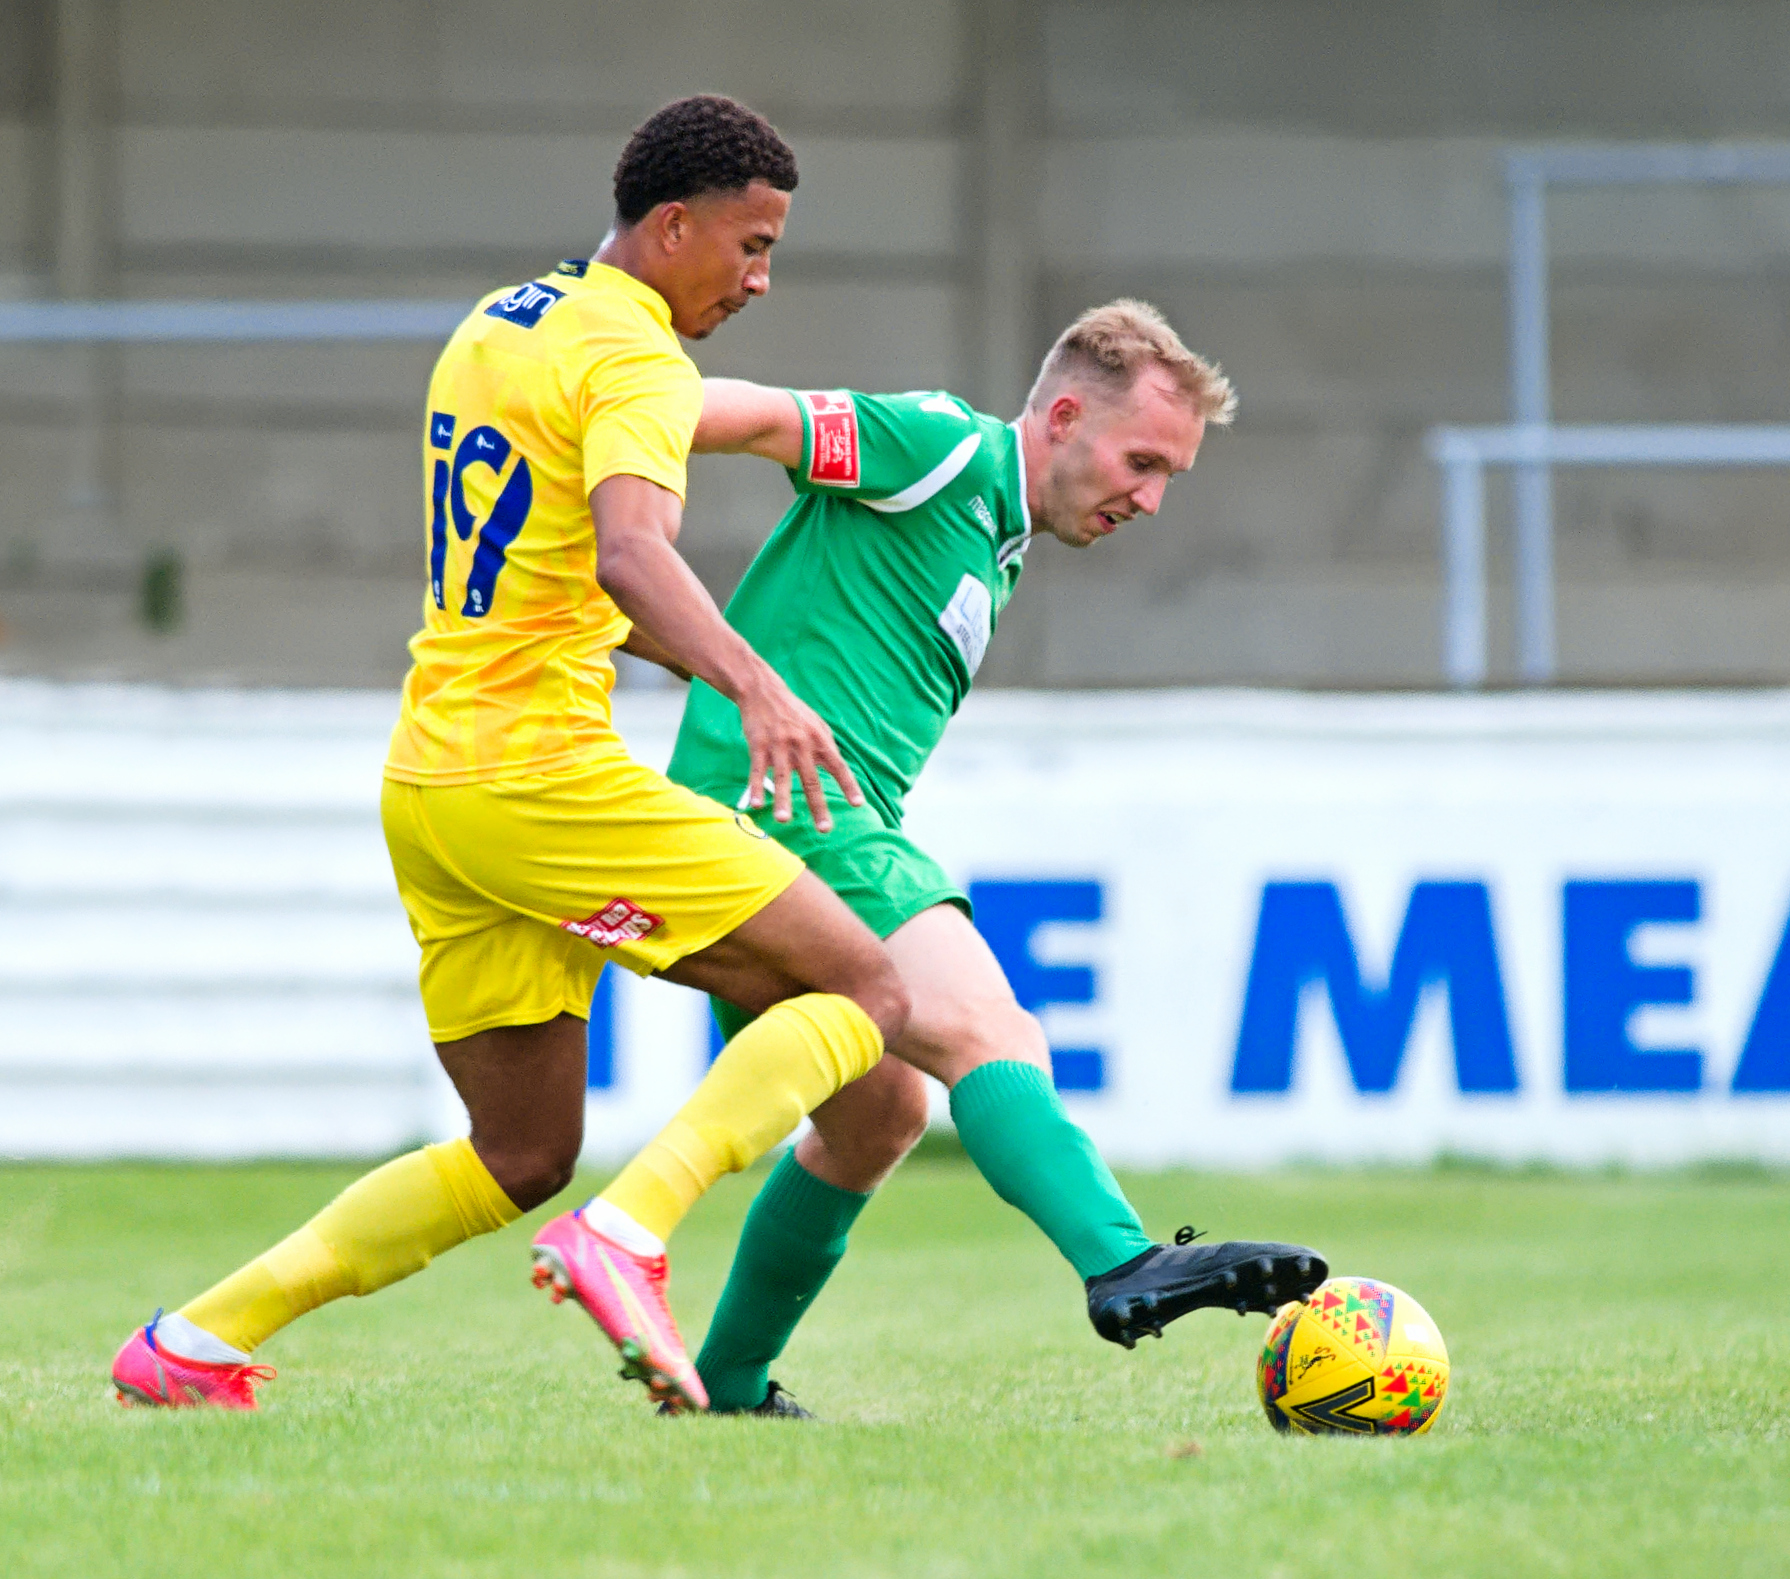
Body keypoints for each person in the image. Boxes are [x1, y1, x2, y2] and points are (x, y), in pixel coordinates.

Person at [108, 94, 912, 1417]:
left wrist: (705, 656)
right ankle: (632, 1227)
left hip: (432, 782)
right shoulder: (639, 358)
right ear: (671, 225)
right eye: (750, 244)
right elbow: (630, 552)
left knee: (521, 1147)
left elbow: (549, 580)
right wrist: (754, 682)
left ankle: (197, 1336)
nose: (761, 278)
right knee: (861, 988)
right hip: (540, 778)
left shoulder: (499, 320)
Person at [660, 301, 1326, 1416]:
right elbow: (727, 413)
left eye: (1170, 477)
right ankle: (1120, 1259)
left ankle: (724, 1387)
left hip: (764, 833)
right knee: (988, 1029)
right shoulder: (940, 449)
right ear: (1062, 416)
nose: (1150, 499)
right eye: (1141, 461)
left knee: (876, 1117)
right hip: (786, 816)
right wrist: (571, 439)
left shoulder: (995, 536)